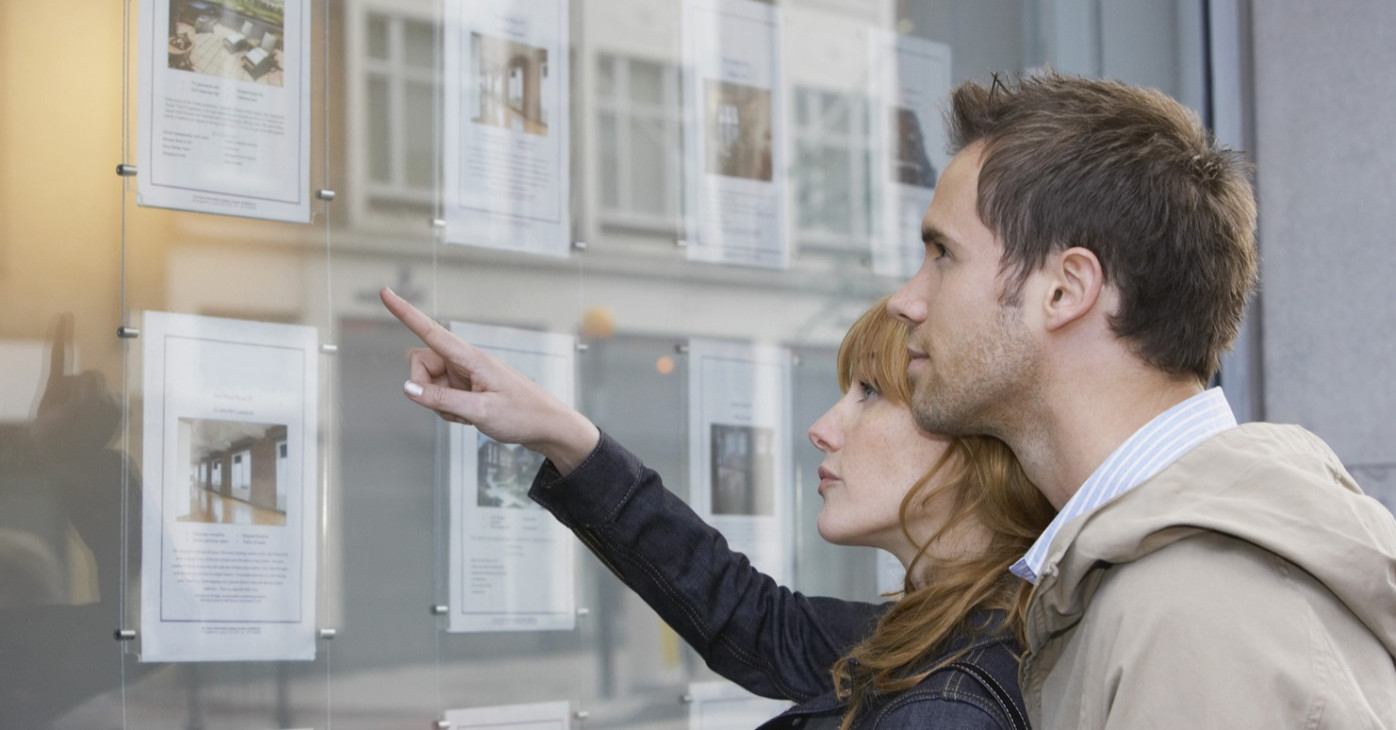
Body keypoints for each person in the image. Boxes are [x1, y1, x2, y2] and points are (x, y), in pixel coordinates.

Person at [887, 70, 1396, 728]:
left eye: (942, 254)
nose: (907, 299)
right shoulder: (1157, 578)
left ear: (1066, 290)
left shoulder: (1191, 614)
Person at [381, 287, 1055, 730]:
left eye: (870, 394)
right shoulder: (952, 631)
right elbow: (755, 621)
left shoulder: (948, 702)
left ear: (971, 442)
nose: (823, 426)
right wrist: (561, 432)